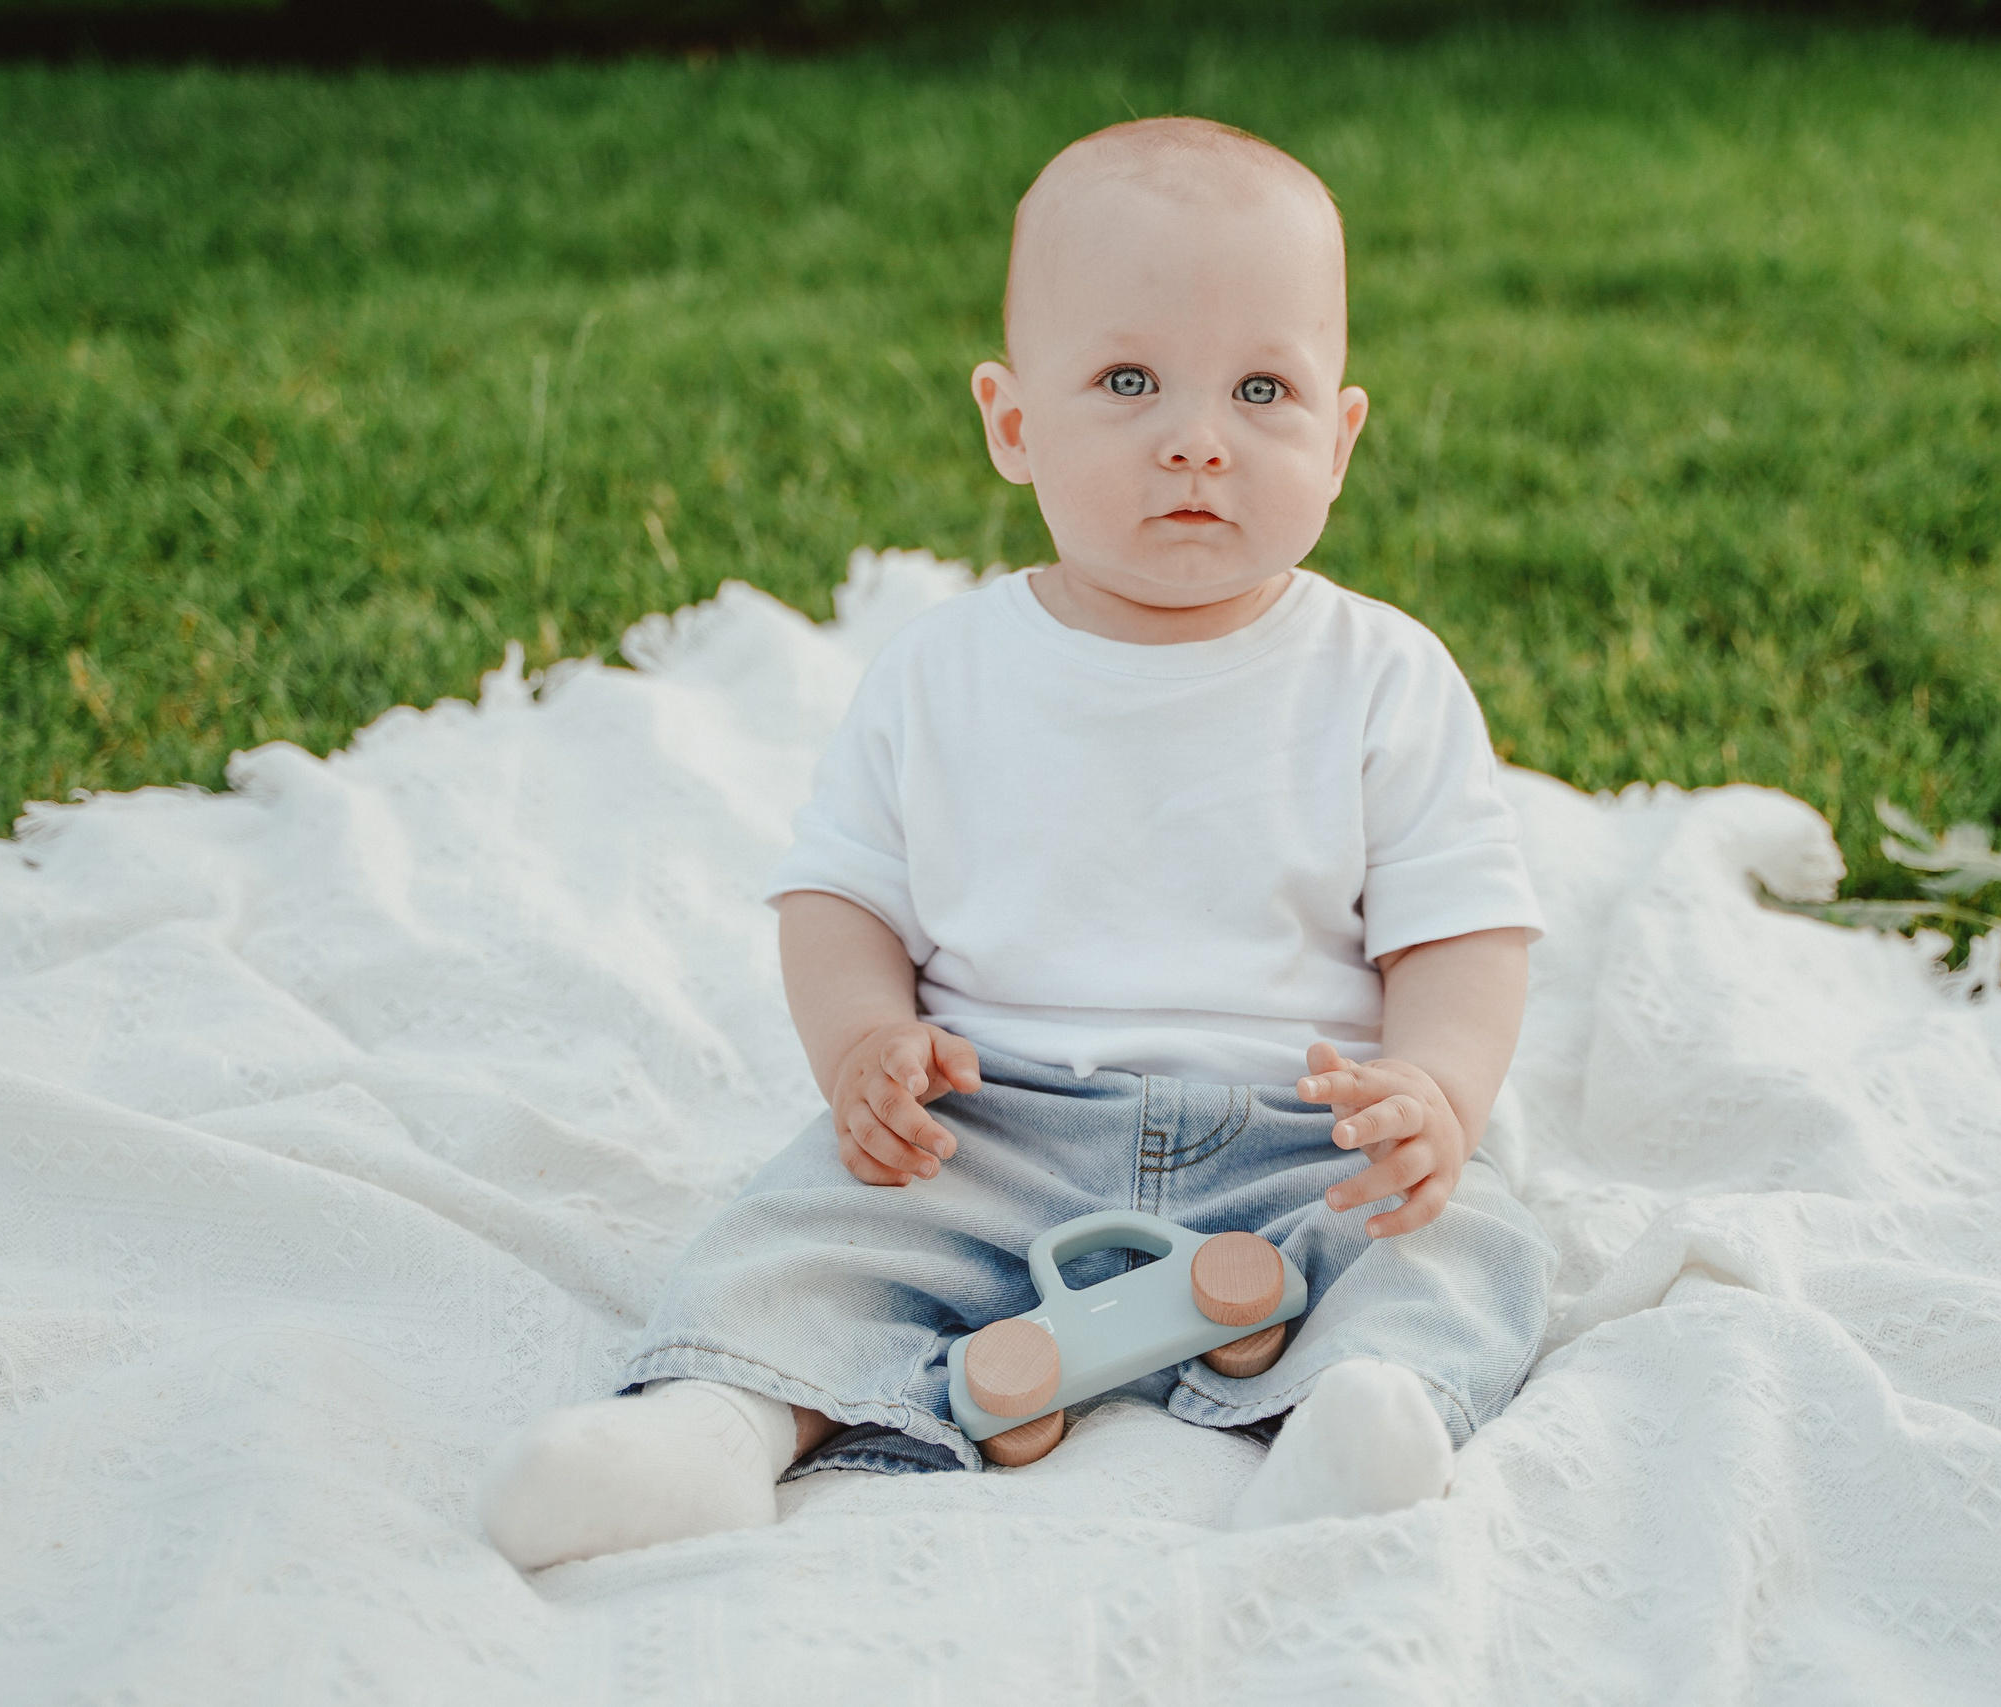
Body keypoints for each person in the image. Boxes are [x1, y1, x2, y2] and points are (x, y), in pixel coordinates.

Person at [482, 116, 1556, 1569]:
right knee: (805, 1231)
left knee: (1461, 1241)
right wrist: (866, 1047)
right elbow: (841, 898)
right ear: (1012, 423)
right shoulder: (944, 673)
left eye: (1262, 388)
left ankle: (1359, 1418)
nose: (1196, 435)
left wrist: (1431, 1089)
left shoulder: (1382, 674)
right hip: (991, 1123)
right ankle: (719, 1425)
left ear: (1341, 437)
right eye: (1128, 381)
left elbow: (1462, 928)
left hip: (1300, 1134)